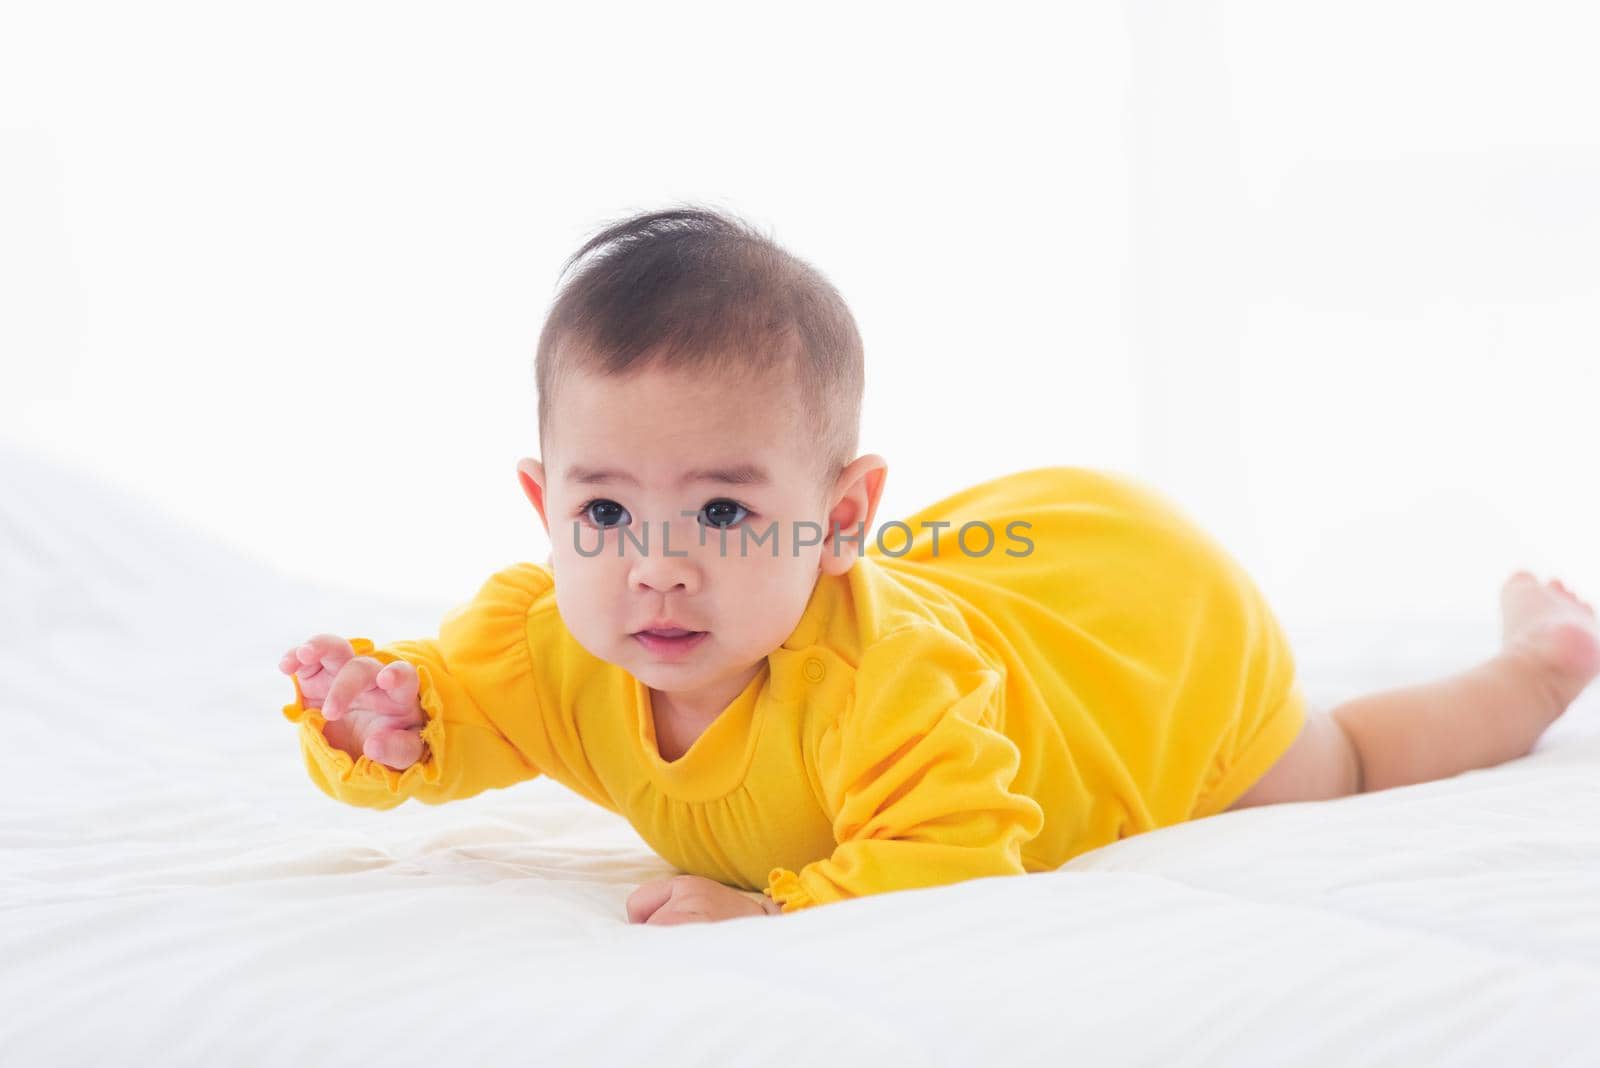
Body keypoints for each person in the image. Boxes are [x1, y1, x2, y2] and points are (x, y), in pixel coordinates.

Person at [277, 205, 1600, 924]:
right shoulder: (546, 642)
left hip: (1133, 632)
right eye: (606, 514)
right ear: (542, 504)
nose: (659, 569)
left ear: (839, 516)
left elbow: (957, 855)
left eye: (727, 514)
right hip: (975, 564)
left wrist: (773, 917)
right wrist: (388, 721)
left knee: (1334, 763)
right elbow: (457, 721)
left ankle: (1535, 667)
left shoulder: (885, 686)